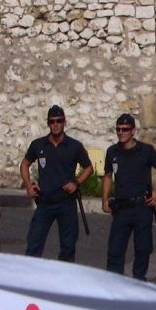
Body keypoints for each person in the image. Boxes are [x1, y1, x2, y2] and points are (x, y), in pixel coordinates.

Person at [20, 104, 93, 262]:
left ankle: (64, 282)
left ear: (64, 122)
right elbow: (25, 164)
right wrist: (28, 185)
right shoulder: (38, 145)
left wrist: (77, 182)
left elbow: (88, 167)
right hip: (44, 202)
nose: (55, 124)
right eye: (52, 121)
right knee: (33, 245)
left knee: (68, 247)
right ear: (48, 123)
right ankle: (30, 279)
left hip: (66, 202)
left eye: (59, 121)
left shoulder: (74, 146)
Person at [102, 113, 156, 281]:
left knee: (143, 248)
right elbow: (108, 176)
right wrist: (104, 199)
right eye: (118, 129)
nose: (121, 132)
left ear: (133, 131)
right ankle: (114, 284)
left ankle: (138, 280)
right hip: (121, 207)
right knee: (115, 249)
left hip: (141, 206)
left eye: (125, 129)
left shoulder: (145, 151)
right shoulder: (112, 152)